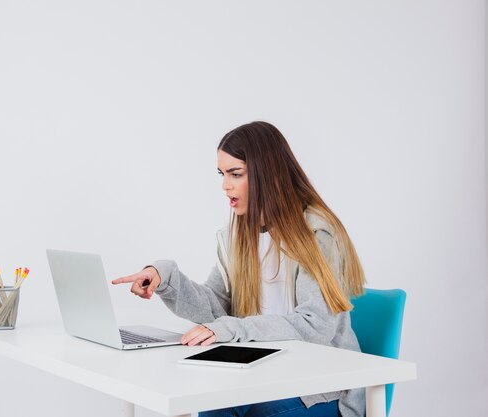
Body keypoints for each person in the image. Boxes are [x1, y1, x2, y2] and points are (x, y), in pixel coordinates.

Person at [112, 121, 366, 417]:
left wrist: (230, 329)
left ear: (267, 174)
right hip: (261, 374)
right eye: (222, 174)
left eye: (236, 174)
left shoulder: (316, 233)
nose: (225, 185)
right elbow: (216, 308)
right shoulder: (237, 235)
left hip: (319, 388)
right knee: (207, 406)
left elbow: (315, 326)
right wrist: (165, 277)